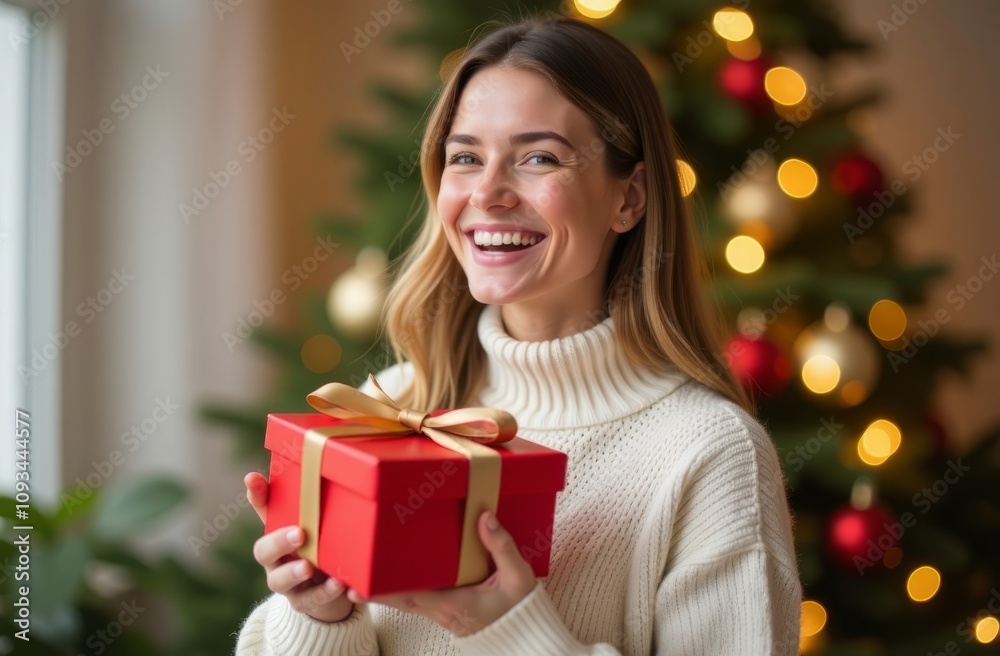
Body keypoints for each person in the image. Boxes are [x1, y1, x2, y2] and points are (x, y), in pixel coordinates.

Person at [236, 15, 801, 656]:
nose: (488, 193)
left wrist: (512, 631)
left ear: (630, 197)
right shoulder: (390, 410)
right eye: (466, 158)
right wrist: (317, 617)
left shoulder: (708, 455)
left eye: (539, 158)